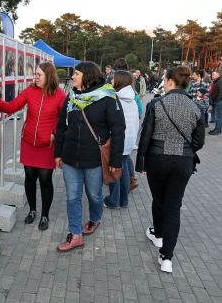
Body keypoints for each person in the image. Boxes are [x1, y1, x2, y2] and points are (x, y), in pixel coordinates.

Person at [136, 66, 205, 273]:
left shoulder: (156, 104)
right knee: (173, 206)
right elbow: (199, 142)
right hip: (183, 162)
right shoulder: (196, 107)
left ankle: (158, 235)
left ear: (171, 81)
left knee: (159, 200)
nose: (164, 83)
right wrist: (184, 151)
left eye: (165, 80)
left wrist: (142, 163)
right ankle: (167, 257)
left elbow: (145, 136)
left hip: (157, 159)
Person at [0, 62, 66, 231]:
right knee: (29, 177)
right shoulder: (29, 91)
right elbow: (13, 106)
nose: (35, 77)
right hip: (29, 142)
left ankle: (45, 214)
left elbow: (63, 120)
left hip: (47, 145)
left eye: (39, 75)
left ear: (49, 76)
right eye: (35, 74)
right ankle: (32, 211)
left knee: (45, 179)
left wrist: (55, 135)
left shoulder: (59, 95)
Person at [55, 61, 125, 251]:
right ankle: (75, 234)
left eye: (76, 74)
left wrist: (115, 160)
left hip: (94, 158)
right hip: (70, 156)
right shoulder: (71, 96)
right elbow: (62, 126)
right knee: (72, 197)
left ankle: (95, 218)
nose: (72, 77)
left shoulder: (108, 97)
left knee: (94, 195)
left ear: (87, 76)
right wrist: (58, 153)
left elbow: (118, 130)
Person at [103, 71, 139, 209]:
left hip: (118, 140)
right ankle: (123, 200)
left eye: (113, 80)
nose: (111, 82)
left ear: (119, 81)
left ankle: (113, 200)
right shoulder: (131, 98)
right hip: (128, 140)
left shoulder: (115, 99)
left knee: (114, 170)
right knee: (123, 170)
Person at [208, 71, 221, 135]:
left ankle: (217, 130)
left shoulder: (220, 81)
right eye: (212, 74)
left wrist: (217, 100)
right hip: (216, 101)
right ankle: (218, 129)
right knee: (219, 116)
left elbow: (220, 92)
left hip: (218, 101)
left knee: (218, 116)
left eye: (213, 74)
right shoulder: (216, 81)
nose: (212, 75)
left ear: (218, 75)